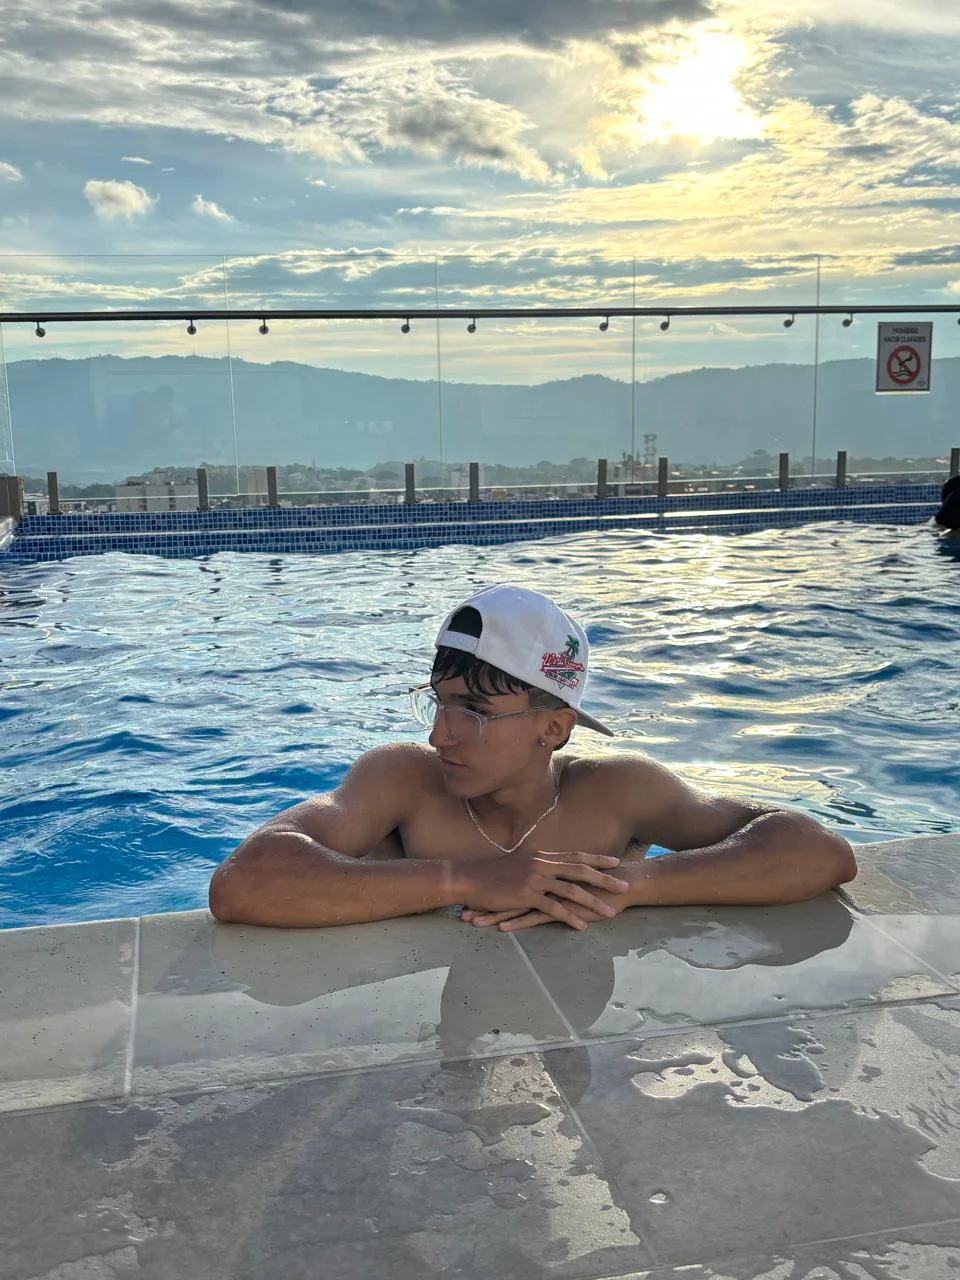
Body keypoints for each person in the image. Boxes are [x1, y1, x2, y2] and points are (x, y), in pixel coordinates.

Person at [209, 585, 857, 932]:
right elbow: (244, 882)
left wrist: (629, 887)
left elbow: (818, 852)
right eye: (437, 704)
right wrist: (466, 880)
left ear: (553, 729)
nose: (440, 737)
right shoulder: (402, 779)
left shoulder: (616, 793)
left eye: (473, 712)